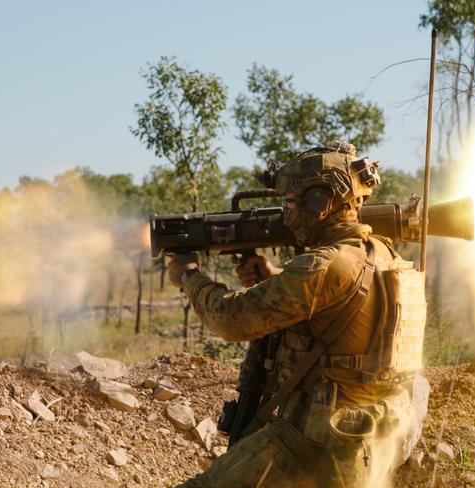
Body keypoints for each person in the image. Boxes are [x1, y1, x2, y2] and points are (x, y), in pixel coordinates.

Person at [168, 141, 425, 487]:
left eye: (291, 202)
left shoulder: (324, 265)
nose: (286, 213)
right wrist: (275, 279)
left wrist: (189, 277)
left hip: (308, 442)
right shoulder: (382, 253)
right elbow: (344, 319)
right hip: (363, 442)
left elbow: (230, 318)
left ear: (320, 201)